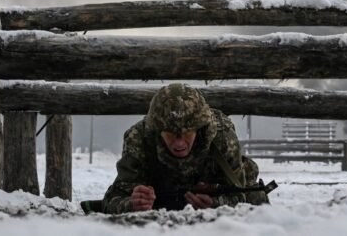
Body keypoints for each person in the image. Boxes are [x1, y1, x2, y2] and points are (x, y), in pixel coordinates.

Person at [102, 83, 269, 213]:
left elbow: (242, 195)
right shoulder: (139, 139)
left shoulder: (222, 137)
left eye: (187, 133)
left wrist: (216, 204)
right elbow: (112, 201)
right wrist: (132, 203)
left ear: (200, 128)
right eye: (170, 133)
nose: (179, 143)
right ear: (158, 130)